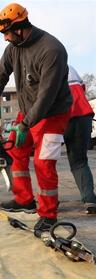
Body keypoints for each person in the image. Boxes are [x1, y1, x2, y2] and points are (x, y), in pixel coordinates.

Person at [0, 3, 72, 236]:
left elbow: (47, 95)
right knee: (16, 150)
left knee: (44, 163)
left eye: (6, 32)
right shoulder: (14, 47)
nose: (4, 38)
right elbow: (0, 71)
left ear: (19, 27)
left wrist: (26, 123)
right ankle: (24, 199)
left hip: (52, 113)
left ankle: (48, 214)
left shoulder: (51, 50)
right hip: (28, 110)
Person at [64, 65, 96, 214]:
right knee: (80, 161)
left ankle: (48, 201)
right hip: (84, 114)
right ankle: (90, 199)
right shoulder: (71, 68)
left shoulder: (47, 66)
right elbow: (81, 89)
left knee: (46, 159)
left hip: (63, 115)